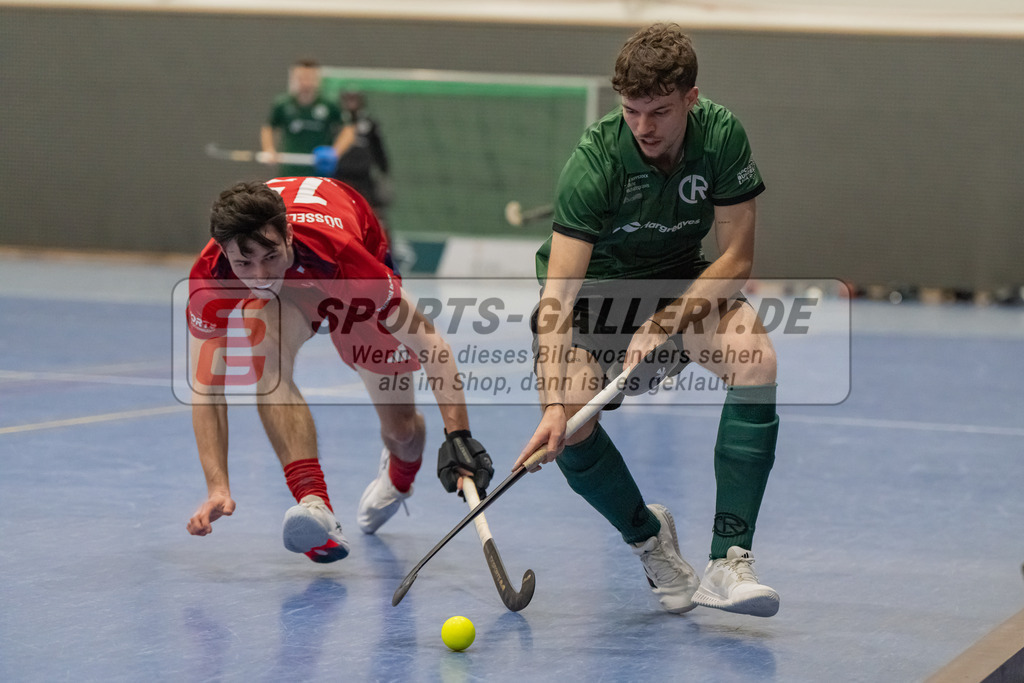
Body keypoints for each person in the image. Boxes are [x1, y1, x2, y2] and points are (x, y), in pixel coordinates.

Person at [516, 23, 781, 617]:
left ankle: (727, 560)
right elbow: (558, 295)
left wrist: (664, 321)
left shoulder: (721, 135)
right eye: (632, 111)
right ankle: (647, 537)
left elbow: (737, 258)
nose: (644, 127)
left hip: (682, 284)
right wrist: (555, 407)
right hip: (592, 302)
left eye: (659, 111)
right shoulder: (594, 162)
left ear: (691, 97)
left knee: (755, 358)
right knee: (574, 423)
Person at [185, 177, 494, 563]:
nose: (259, 277)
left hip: (343, 284)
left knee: (402, 431)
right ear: (223, 252)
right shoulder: (210, 274)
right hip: (290, 294)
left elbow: (430, 345)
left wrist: (459, 434)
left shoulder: (350, 262)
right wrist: (218, 486)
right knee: (262, 349)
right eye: (243, 263)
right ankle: (315, 505)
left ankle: (399, 478)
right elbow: (207, 389)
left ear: (289, 236)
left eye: (270, 257)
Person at [260, 59, 352, 178]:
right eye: (301, 78)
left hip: (320, 171)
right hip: (290, 170)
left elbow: (349, 130)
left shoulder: (329, 104)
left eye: (310, 78)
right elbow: (268, 127)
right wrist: (269, 149)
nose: (306, 83)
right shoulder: (283, 104)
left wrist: (334, 152)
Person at [333, 91, 392, 219]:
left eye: (354, 99)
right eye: (349, 99)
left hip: (363, 175)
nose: (352, 103)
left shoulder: (370, 123)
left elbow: (378, 148)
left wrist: (384, 170)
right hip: (340, 174)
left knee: (372, 209)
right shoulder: (336, 121)